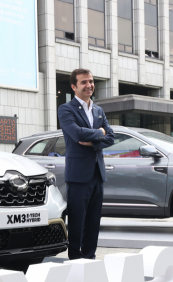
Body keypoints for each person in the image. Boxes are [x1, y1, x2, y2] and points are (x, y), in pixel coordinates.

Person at [58, 69, 114, 260]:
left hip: (97, 173)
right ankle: (75, 260)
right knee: (77, 221)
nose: (89, 85)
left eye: (91, 81)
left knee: (93, 221)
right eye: (84, 82)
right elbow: (77, 134)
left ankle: (90, 258)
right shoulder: (66, 109)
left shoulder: (98, 110)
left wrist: (93, 141)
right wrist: (100, 133)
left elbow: (111, 137)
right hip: (78, 175)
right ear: (74, 86)